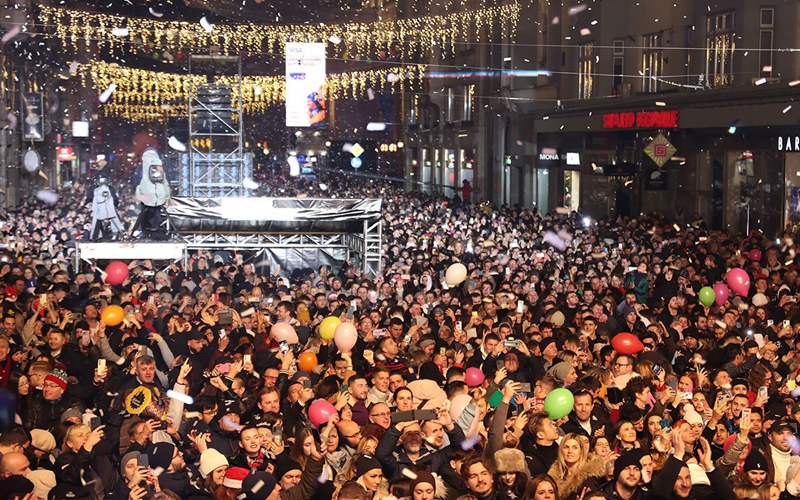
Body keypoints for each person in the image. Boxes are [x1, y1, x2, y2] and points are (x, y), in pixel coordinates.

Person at [132, 148, 171, 240]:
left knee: (145, 215)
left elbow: (137, 181)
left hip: (146, 197)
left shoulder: (141, 167)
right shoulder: (160, 167)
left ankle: (146, 233)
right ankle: (159, 233)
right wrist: (166, 195)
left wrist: (139, 194)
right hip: (159, 196)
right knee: (158, 214)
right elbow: (165, 181)